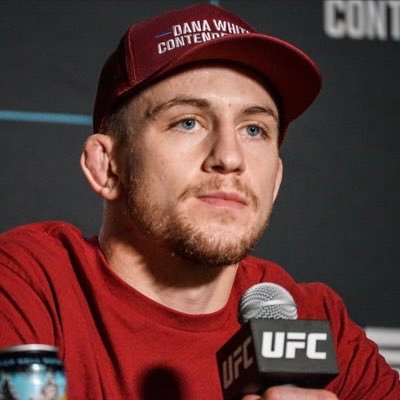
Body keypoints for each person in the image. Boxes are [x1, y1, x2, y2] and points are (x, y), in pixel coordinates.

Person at [0, 3, 398, 400]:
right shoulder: (31, 283)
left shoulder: (313, 318)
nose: (229, 157)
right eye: (187, 121)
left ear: (275, 179)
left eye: (254, 129)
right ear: (107, 166)